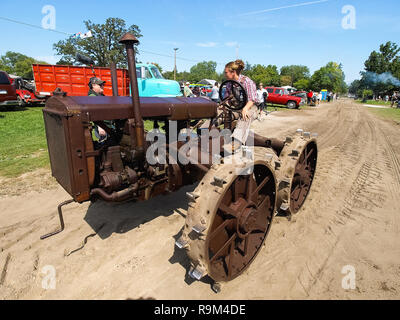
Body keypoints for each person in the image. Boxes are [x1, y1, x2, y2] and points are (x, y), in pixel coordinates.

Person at [224, 59, 259, 150]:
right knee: (218, 112)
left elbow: (252, 99)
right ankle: (204, 132)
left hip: (251, 107)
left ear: (233, 72)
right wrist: (224, 104)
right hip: (236, 107)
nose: (225, 74)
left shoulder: (247, 82)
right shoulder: (229, 84)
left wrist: (245, 108)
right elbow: (227, 98)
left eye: (226, 72)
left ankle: (236, 141)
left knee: (245, 116)